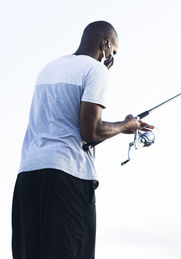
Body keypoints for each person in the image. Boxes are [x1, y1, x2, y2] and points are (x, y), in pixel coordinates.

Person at [12, 21, 153, 259]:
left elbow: (66, 128)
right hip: (67, 178)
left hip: (28, 176)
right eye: (113, 52)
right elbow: (90, 131)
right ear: (105, 44)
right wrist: (126, 125)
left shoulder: (49, 68)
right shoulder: (94, 70)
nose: (111, 58)